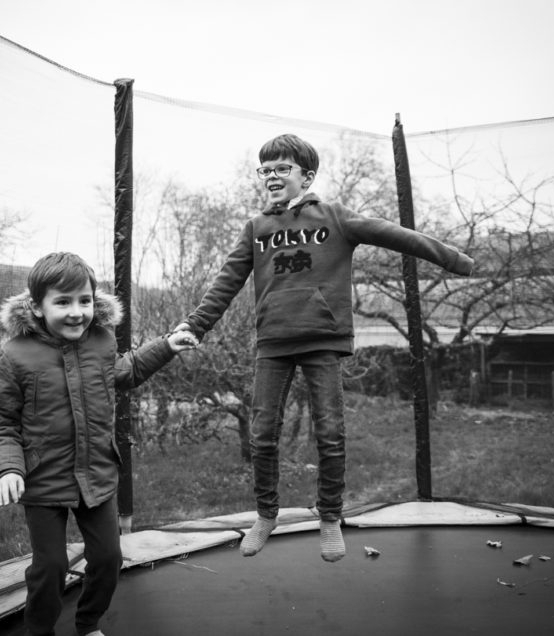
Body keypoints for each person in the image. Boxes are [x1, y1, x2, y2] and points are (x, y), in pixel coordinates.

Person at [174, 133, 474, 563]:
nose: (272, 176)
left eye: (282, 168)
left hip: (322, 340)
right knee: (261, 437)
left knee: (330, 435)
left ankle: (330, 516)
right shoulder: (256, 229)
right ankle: (265, 515)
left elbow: (396, 235)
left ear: (306, 175)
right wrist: (196, 326)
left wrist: (453, 260)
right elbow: (225, 282)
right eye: (266, 170)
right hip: (273, 343)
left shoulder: (335, 218)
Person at [0, 252, 196, 636]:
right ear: (37, 306)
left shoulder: (100, 340)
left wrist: (166, 346)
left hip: (96, 472)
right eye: (62, 302)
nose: (77, 312)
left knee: (108, 557)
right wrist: (8, 467)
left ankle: (87, 623)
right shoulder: (16, 355)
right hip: (44, 479)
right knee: (50, 567)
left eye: (84, 300)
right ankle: (39, 631)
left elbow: (124, 370)